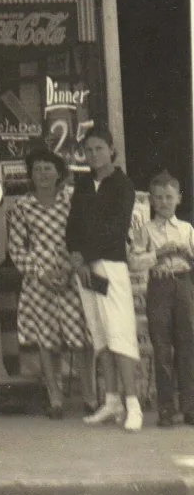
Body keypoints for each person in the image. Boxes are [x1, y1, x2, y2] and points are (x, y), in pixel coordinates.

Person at [5, 146, 94, 418]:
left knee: (80, 339)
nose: (42, 174)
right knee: (47, 341)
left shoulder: (72, 201)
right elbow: (17, 247)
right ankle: (54, 397)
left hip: (69, 275)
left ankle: (90, 397)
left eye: (48, 168)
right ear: (31, 175)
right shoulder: (22, 207)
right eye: (37, 169)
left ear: (59, 173)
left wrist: (70, 268)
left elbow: (82, 236)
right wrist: (40, 273)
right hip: (39, 279)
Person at [66, 128, 145, 431]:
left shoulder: (123, 186)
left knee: (120, 334)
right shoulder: (83, 184)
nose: (93, 155)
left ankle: (132, 404)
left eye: (99, 148)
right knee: (100, 334)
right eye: (88, 150)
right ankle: (111, 401)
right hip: (85, 268)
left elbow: (115, 230)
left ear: (112, 150)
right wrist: (76, 256)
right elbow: (72, 226)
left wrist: (84, 257)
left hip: (110, 266)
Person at [142, 172, 194, 426]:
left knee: (188, 344)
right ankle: (165, 407)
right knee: (161, 346)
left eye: (169, 197)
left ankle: (190, 405)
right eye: (159, 198)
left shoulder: (187, 229)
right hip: (159, 286)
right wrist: (156, 254)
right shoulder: (146, 229)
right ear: (151, 200)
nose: (164, 202)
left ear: (178, 199)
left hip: (184, 285)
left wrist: (188, 252)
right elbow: (133, 260)